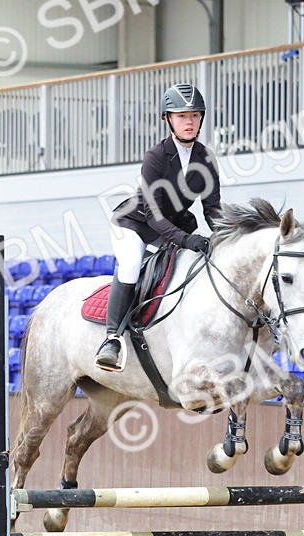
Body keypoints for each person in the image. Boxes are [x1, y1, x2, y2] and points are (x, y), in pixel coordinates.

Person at [97, 83, 223, 372]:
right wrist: (186, 239)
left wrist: (224, 236)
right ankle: (112, 338)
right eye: (181, 116)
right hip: (134, 223)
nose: (189, 122)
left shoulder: (206, 158)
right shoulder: (155, 157)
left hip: (172, 226)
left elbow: (212, 208)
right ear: (167, 119)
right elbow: (153, 216)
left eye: (194, 115)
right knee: (130, 264)